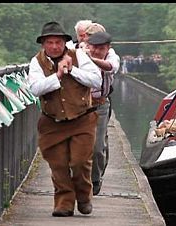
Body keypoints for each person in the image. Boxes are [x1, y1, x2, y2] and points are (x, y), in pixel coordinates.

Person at [28, 21, 102, 217]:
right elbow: (35, 89)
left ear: (65, 42)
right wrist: (58, 75)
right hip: (52, 122)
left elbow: (96, 81)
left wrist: (72, 71)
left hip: (82, 119)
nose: (54, 46)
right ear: (43, 44)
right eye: (50, 42)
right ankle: (64, 203)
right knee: (58, 165)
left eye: (58, 42)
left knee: (79, 162)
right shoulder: (36, 62)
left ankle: (84, 197)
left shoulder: (79, 56)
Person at [86, 31, 120, 195]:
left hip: (100, 105)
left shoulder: (112, 57)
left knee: (97, 147)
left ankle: (95, 179)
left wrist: (91, 60)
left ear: (108, 48)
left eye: (100, 48)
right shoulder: (79, 52)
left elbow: (110, 68)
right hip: (79, 105)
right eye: (93, 48)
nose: (96, 51)